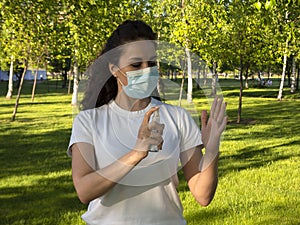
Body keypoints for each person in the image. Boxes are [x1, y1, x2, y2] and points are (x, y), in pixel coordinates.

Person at [68, 20, 227, 225]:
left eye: (151, 63)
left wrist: (212, 150)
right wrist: (136, 153)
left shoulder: (177, 117)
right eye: (136, 64)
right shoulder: (89, 121)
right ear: (114, 69)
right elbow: (84, 190)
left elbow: (203, 196)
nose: (146, 70)